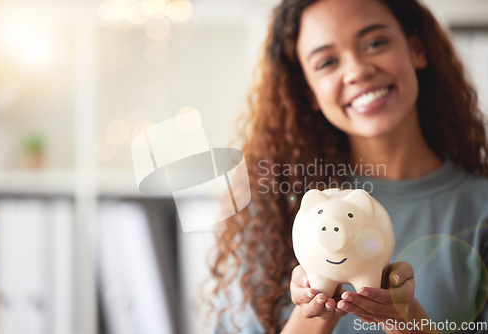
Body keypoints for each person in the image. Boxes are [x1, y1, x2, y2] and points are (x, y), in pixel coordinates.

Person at [207, 0, 488, 333]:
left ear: (417, 49)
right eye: (327, 62)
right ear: (308, 91)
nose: (357, 70)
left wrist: (407, 320)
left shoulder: (480, 208)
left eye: (375, 43)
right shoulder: (275, 206)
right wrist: (315, 309)